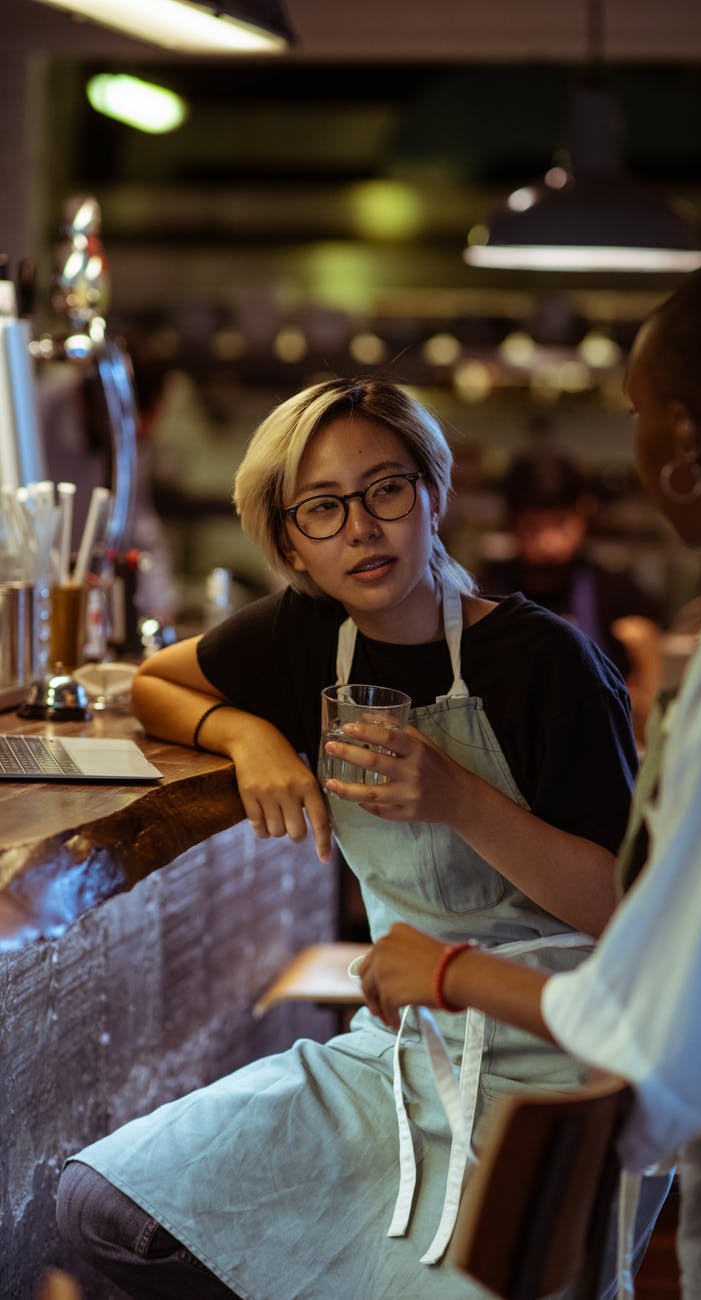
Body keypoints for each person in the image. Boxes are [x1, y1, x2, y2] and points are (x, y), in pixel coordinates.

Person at [55, 377, 670, 1299]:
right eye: (322, 508)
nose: (361, 528)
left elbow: (627, 918)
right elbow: (154, 683)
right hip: (404, 1054)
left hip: (557, 1069)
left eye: (386, 490)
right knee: (103, 1210)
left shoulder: (547, 662)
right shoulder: (306, 637)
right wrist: (249, 735)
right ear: (290, 541)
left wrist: (457, 797)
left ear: (432, 495)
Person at [359, 258, 701, 1300]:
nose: (634, 446)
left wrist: (450, 973)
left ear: (682, 440)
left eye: (637, 415)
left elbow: (666, 997)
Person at [478, 452, 663, 741]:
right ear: (511, 522)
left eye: (561, 524)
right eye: (534, 527)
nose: (549, 542)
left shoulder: (616, 591)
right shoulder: (484, 592)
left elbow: (651, 685)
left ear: (584, 513)